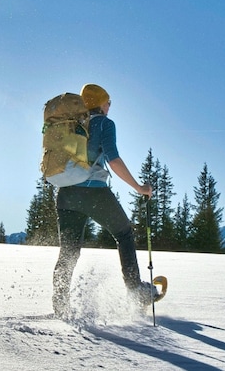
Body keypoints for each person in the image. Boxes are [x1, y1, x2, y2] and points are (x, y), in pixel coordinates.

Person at [52, 83, 154, 319]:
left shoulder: (72, 124)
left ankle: (60, 304)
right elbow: (113, 158)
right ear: (100, 102)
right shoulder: (104, 124)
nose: (110, 106)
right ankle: (136, 291)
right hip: (93, 192)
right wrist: (139, 187)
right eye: (109, 102)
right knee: (124, 233)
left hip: (65, 194)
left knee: (69, 251)